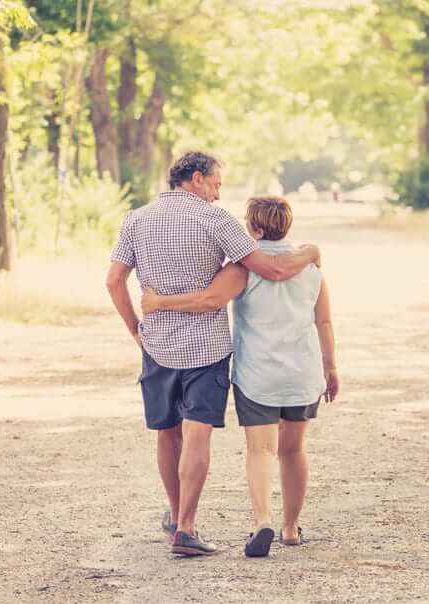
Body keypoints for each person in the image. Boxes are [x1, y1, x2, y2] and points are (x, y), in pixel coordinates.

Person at [105, 152, 321, 557]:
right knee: (196, 435)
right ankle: (185, 528)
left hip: (157, 346)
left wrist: (137, 329)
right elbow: (271, 268)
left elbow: (114, 280)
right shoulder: (216, 221)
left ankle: (176, 517)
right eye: (218, 185)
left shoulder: (136, 218)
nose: (220, 195)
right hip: (206, 348)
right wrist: (310, 253)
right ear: (199, 179)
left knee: (166, 434)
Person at [141, 196, 338, 558]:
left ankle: (263, 520)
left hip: (258, 376)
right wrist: (331, 367)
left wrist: (159, 303)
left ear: (255, 228)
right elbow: (323, 321)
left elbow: (209, 300)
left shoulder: (244, 268)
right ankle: (291, 529)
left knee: (261, 450)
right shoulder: (311, 268)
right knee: (293, 450)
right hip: (302, 374)